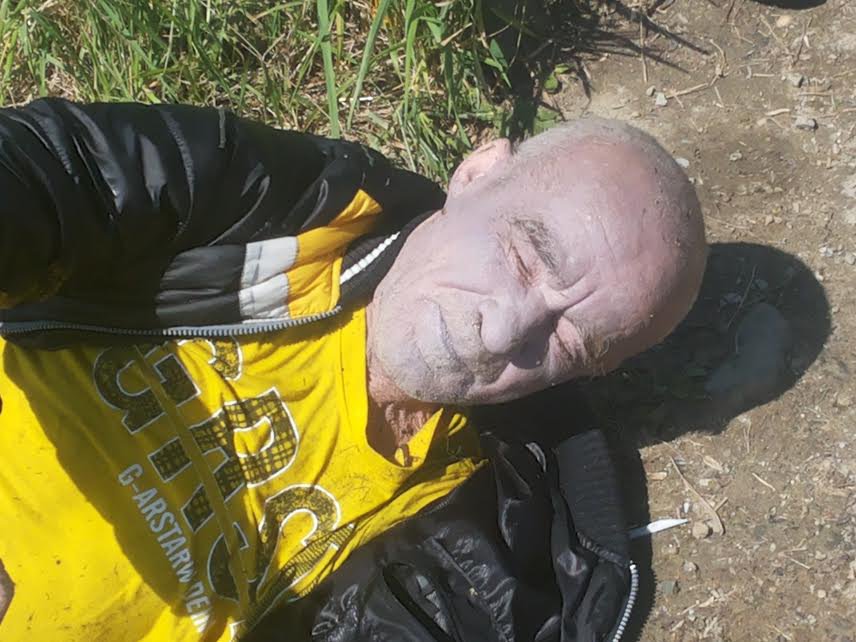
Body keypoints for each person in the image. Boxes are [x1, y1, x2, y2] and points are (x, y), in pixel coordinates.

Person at [0, 99, 706, 641]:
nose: (506, 330)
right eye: (524, 257)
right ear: (477, 172)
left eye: (570, 342)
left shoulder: (500, 529)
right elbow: (52, 168)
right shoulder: (286, 203)